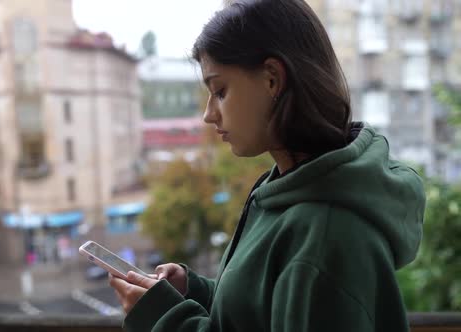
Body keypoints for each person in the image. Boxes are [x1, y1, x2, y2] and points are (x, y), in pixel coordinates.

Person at [109, 0, 426, 331]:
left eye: (220, 91)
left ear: (272, 79)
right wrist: (193, 292)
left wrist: (164, 319)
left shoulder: (325, 236)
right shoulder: (284, 189)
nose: (208, 114)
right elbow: (262, 313)